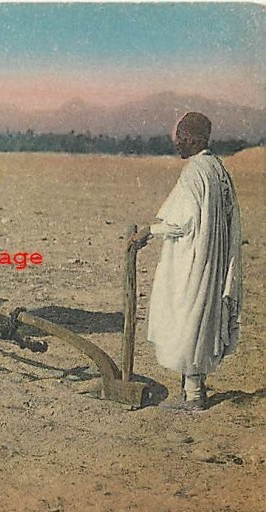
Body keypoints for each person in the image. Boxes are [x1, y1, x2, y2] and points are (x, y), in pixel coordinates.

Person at [131, 112, 242, 410]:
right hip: (211, 260)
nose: (177, 144)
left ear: (192, 139)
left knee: (187, 319)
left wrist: (149, 232)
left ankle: (193, 396)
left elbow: (183, 223)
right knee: (201, 320)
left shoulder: (195, 172)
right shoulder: (217, 168)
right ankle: (193, 389)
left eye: (180, 138)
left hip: (194, 262)